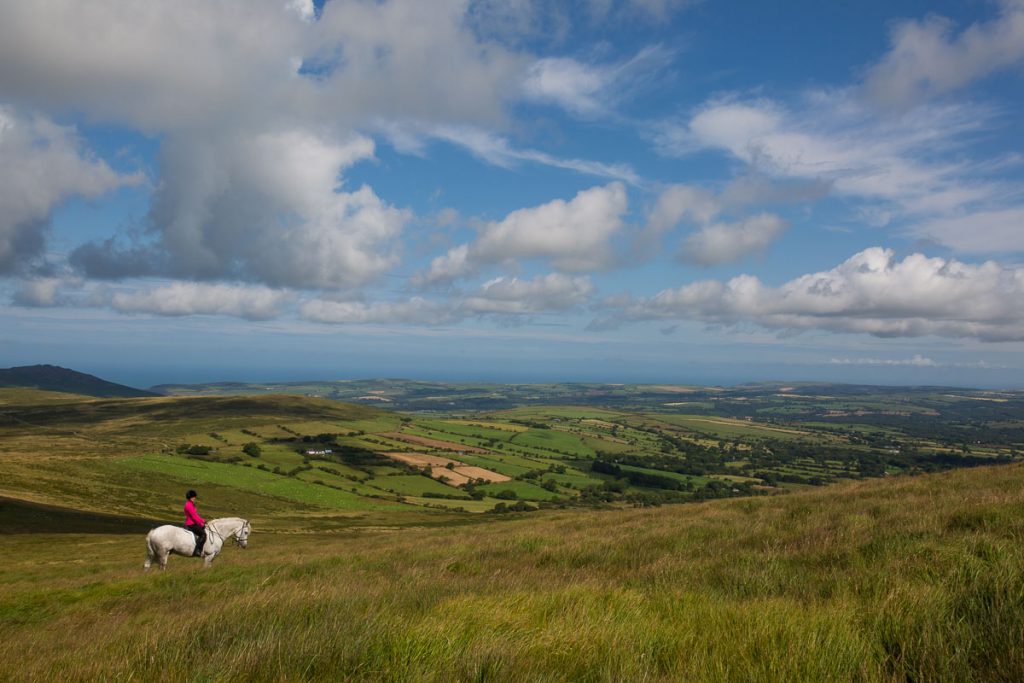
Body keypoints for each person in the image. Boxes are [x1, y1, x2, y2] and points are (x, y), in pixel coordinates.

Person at [183, 490, 206, 557]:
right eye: (193, 497)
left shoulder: (191, 504)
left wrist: (202, 521)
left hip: (193, 523)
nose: (194, 498)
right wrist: (202, 523)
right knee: (203, 534)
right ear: (190, 497)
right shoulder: (189, 505)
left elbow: (196, 515)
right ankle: (196, 550)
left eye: (194, 497)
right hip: (191, 524)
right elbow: (194, 516)